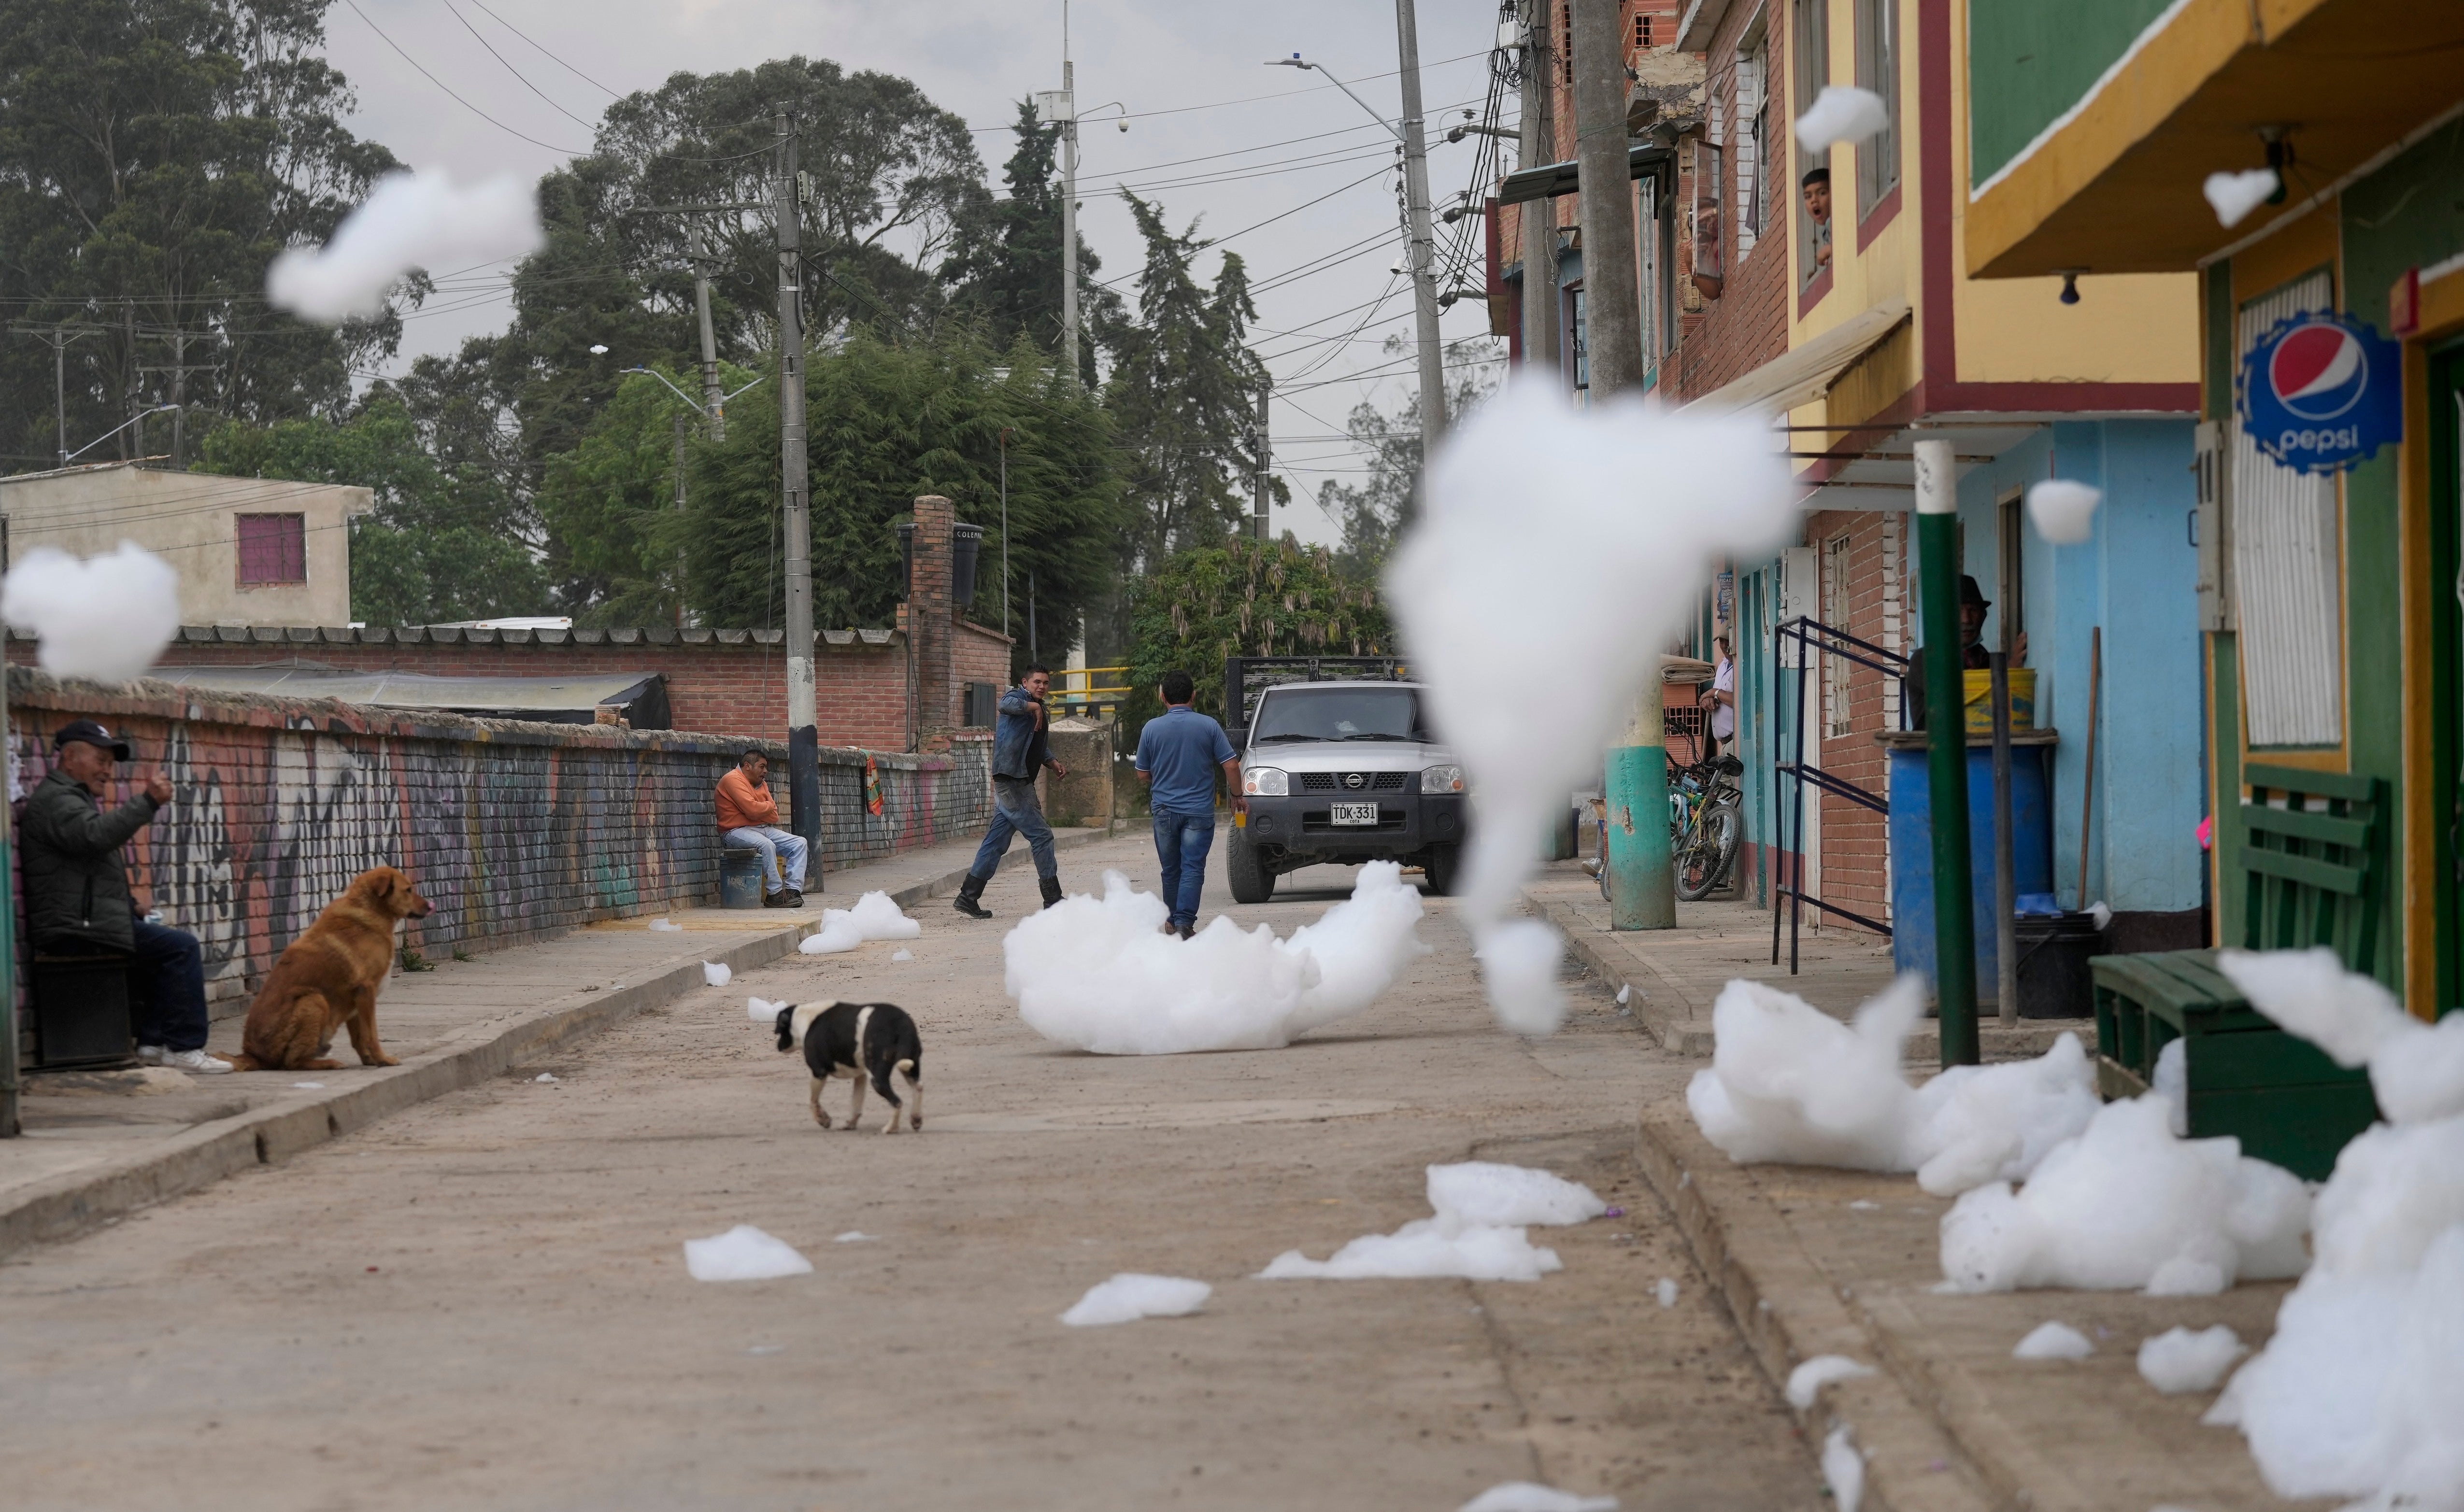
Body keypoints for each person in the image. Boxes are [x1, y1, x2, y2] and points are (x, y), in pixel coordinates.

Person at [19, 719, 230, 1072]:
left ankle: (152, 1043)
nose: (107, 770)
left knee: (155, 942)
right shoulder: (56, 800)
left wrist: (129, 906)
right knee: (180, 948)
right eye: (100, 760)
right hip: (74, 929)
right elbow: (94, 836)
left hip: (81, 921)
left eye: (110, 762)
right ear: (70, 757)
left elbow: (84, 871)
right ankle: (184, 1046)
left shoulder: (69, 798)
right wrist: (147, 802)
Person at [1134, 669, 1246, 939]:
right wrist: (1237, 796)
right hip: (1198, 812)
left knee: (1171, 869)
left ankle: (1172, 922)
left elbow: (1142, 775)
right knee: (1193, 867)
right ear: (1193, 696)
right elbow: (1231, 764)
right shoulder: (1209, 726)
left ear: (1163, 697)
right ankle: (1184, 923)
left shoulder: (1151, 728)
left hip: (1164, 811)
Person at [953, 664, 1070, 919]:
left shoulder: (1035, 706)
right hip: (1012, 782)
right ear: (1025, 682)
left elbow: (1034, 744)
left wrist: (1051, 761)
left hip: (1019, 781)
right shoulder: (1018, 699)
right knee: (1042, 837)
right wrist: (1034, 707)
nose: (1042, 687)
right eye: (1037, 682)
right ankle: (1052, 899)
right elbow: (1004, 704)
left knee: (996, 842)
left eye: (1046, 683)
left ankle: (968, 896)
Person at [717, 750, 806, 908]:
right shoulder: (732, 779)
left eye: (766, 767)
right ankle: (775, 895)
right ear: (747, 766)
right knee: (767, 845)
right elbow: (753, 810)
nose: (766, 771)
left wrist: (759, 811)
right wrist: (764, 808)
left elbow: (774, 817)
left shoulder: (761, 783)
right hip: (734, 832)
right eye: (762, 766)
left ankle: (793, 892)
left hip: (761, 828)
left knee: (800, 843)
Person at [1706, 635, 1737, 760]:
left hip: (1736, 742)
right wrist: (1707, 701)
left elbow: (1739, 701)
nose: (1725, 646)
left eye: (1728, 641)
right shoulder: (1723, 665)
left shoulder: (1741, 665)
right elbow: (1716, 696)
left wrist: (1714, 692)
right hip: (1725, 744)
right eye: (1722, 641)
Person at [1803, 167, 1832, 270]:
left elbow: (1848, 246)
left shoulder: (1832, 222)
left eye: (1822, 193)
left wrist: (1829, 250)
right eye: (1808, 197)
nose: (1814, 200)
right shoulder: (1825, 228)